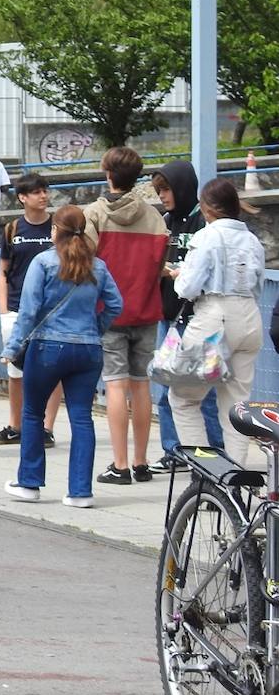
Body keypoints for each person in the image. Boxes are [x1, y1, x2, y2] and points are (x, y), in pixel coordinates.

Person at [1, 205, 123, 508]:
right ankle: (80, 492)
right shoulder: (98, 266)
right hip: (88, 349)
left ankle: (29, 483)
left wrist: (12, 347)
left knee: (32, 412)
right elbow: (115, 304)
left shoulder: (43, 262)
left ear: (56, 230)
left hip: (47, 348)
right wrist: (95, 328)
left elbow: (28, 311)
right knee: (82, 417)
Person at [83, 146, 169, 486]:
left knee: (116, 384)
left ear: (108, 174)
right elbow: (159, 266)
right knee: (142, 384)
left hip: (107, 312)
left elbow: (85, 265)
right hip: (146, 310)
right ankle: (141, 461)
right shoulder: (155, 218)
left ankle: (119, 465)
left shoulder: (94, 215)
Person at [168, 178, 266, 464]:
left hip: (214, 319)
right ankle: (236, 478)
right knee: (235, 406)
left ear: (208, 208)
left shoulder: (206, 236)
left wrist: (179, 274)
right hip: (249, 319)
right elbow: (258, 286)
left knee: (183, 398)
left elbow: (187, 288)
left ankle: (208, 472)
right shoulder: (252, 240)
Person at [150, 161, 224, 471]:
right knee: (168, 387)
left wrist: (176, 273)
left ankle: (214, 450)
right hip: (169, 319)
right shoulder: (165, 221)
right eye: (159, 191)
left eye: (166, 189)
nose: (163, 196)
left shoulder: (201, 224)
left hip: (196, 319)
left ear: (181, 187)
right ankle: (173, 450)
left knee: (201, 390)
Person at [0, 172, 62, 447]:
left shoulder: (56, 228)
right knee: (16, 370)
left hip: (51, 311)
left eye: (45, 191)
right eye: (36, 192)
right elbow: (3, 273)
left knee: (52, 371)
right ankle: (15, 425)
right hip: (18, 309)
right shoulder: (13, 229)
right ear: (22, 197)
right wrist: (4, 310)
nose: (42, 196)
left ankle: (46, 428)